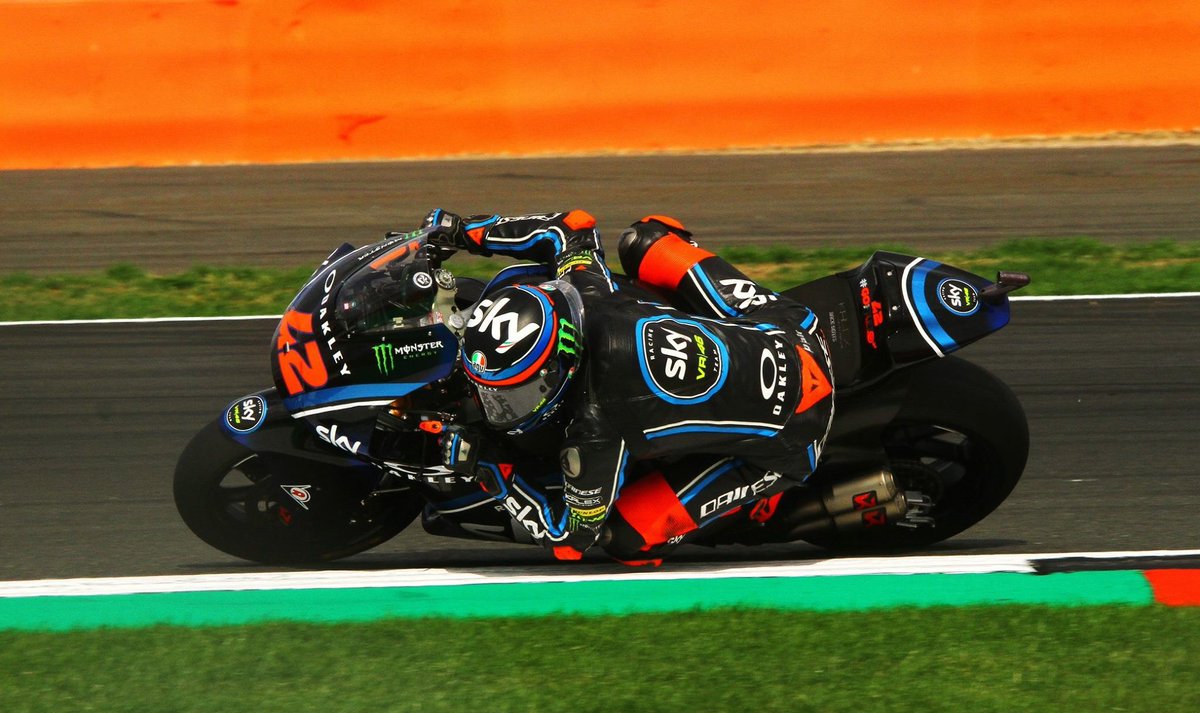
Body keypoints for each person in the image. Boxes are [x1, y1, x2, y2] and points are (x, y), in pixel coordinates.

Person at [430, 209, 835, 563]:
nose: (496, 406)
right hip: (793, 328)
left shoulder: (595, 432)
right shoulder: (587, 288)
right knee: (646, 237)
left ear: (560, 368)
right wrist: (465, 232)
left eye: (513, 394)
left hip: (795, 438)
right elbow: (570, 227)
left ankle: (754, 510)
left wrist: (490, 469)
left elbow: (568, 537)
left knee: (627, 538)